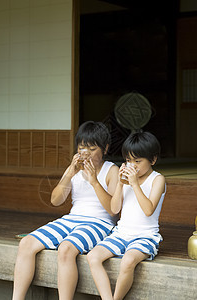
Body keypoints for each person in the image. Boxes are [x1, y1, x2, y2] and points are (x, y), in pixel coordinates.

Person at [12, 121, 119, 300]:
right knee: (26, 244)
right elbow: (55, 200)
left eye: (92, 149)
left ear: (105, 148)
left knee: (66, 249)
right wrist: (70, 172)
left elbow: (113, 210)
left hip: (100, 222)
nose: (86, 153)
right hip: (71, 219)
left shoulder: (111, 170)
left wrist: (94, 181)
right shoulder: (74, 170)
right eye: (82, 148)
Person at [87, 131, 166, 300]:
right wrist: (121, 185)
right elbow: (114, 209)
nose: (132, 165)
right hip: (121, 233)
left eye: (137, 161)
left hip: (146, 235)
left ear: (153, 160)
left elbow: (148, 210)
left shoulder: (157, 179)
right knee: (93, 257)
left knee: (128, 261)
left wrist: (134, 184)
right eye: (129, 160)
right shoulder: (126, 179)